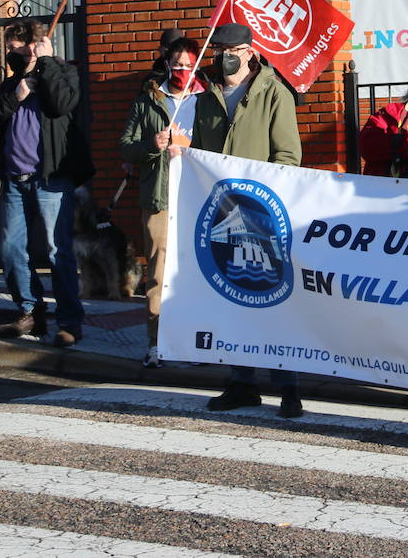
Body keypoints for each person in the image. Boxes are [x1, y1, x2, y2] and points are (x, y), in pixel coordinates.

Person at [190, 23, 305, 418]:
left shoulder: (274, 93)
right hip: (223, 211)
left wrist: (263, 199)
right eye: (219, 49)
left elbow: (288, 155)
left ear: (250, 52)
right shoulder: (207, 98)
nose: (225, 56)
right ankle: (241, 382)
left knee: (272, 298)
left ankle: (288, 386)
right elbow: (201, 155)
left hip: (262, 211)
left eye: (232, 49)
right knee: (233, 297)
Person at [0, 19, 95, 348]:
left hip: (51, 179)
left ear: (34, 47)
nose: (11, 54)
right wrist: (16, 94)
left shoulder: (62, 73)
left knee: (59, 252)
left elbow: (62, 104)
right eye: (9, 48)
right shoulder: (12, 84)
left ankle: (70, 320)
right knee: (12, 250)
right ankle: (29, 310)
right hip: (15, 180)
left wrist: (46, 64)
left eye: (17, 48)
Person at [119, 37, 212, 369]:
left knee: (197, 273)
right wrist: (150, 144)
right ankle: (157, 342)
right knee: (158, 272)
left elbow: (219, 145)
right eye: (177, 65)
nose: (182, 71)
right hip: (159, 197)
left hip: (198, 198)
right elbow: (125, 147)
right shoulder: (148, 99)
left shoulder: (207, 98)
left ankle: (197, 341)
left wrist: (187, 145)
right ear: (166, 63)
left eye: (188, 65)